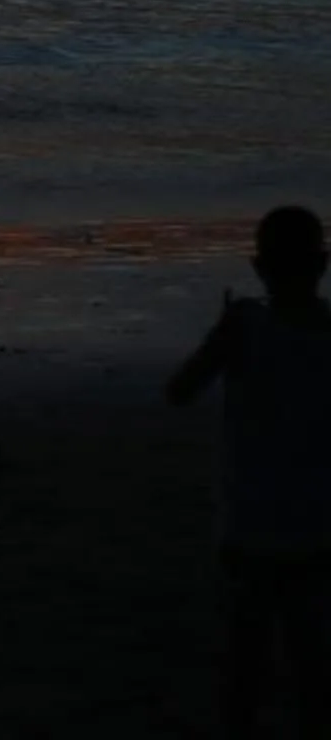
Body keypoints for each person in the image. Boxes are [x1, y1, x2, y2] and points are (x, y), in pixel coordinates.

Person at [169, 204, 331, 739]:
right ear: (322, 264)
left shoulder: (243, 327)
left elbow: (181, 390)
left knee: (245, 665)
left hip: (249, 526)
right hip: (317, 526)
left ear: (258, 267)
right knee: (311, 664)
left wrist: (223, 331)